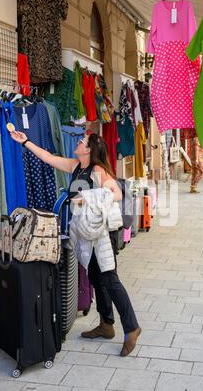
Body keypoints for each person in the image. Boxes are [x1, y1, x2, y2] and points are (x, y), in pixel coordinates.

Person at [10, 129, 142, 357]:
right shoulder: (75, 166)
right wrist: (26, 142)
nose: (78, 141)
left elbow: (118, 193)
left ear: (89, 149)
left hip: (101, 235)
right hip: (85, 234)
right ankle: (106, 324)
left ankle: (132, 327)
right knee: (95, 278)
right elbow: (48, 158)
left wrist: (88, 197)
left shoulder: (97, 171)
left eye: (82, 141)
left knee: (110, 279)